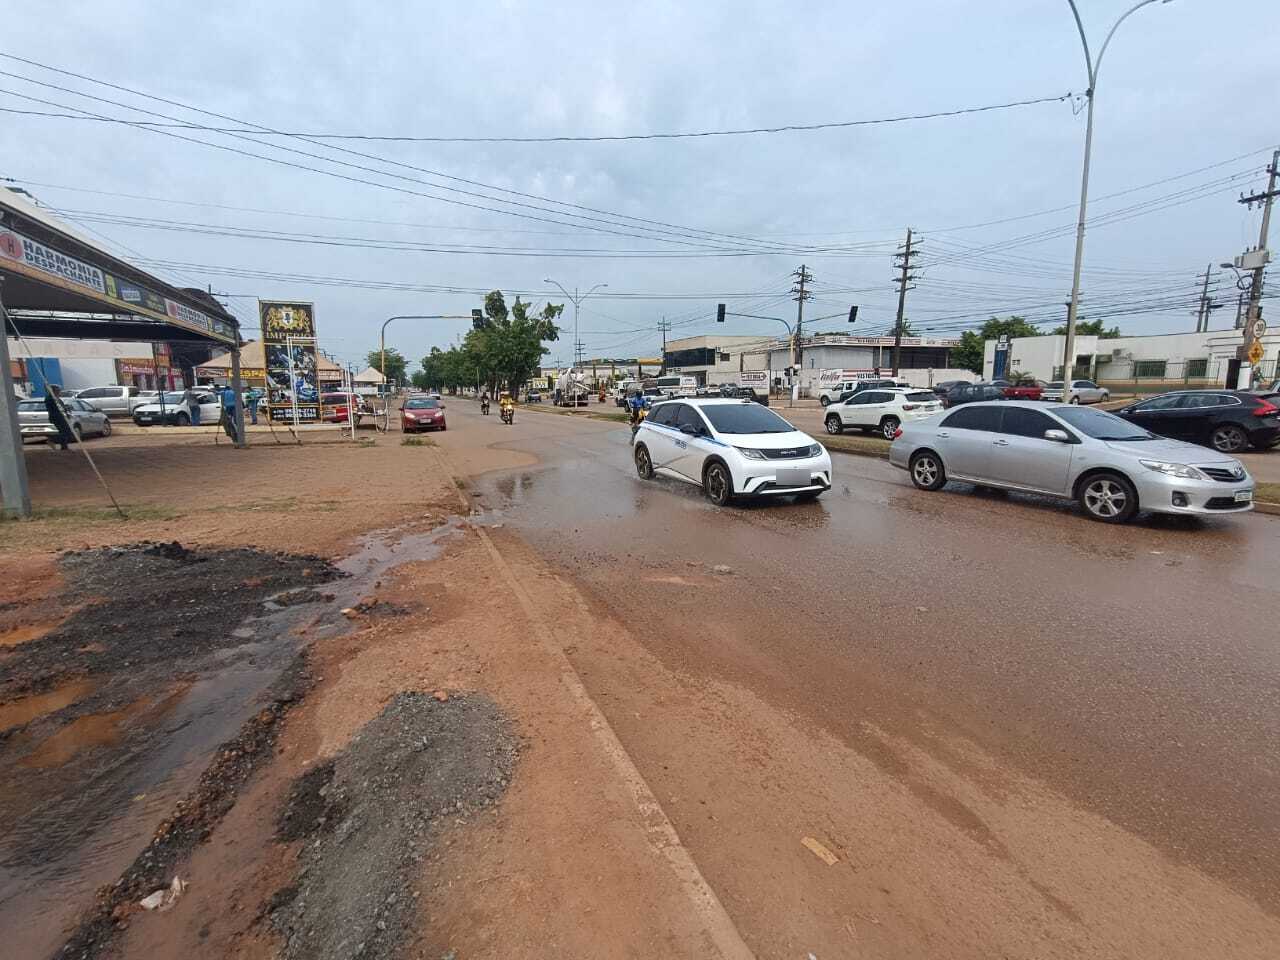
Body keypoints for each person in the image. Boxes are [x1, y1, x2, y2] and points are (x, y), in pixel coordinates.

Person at [43, 384, 75, 450]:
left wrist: (67, 412)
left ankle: (64, 447)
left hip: (61, 417)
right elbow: (56, 408)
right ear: (54, 391)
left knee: (66, 431)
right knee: (65, 432)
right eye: (58, 390)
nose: (59, 392)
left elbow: (62, 407)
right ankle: (51, 439)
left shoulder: (57, 398)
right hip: (56, 417)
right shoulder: (49, 398)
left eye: (59, 390)